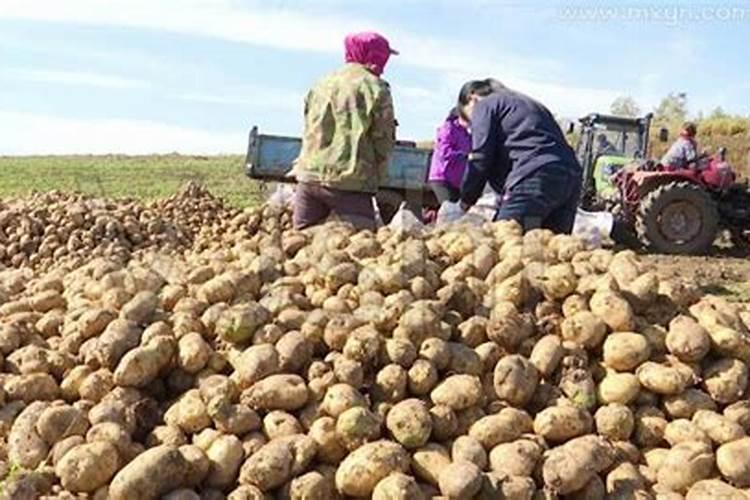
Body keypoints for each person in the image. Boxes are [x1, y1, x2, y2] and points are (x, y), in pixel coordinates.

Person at [291, 32, 397, 230]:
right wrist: (379, 176)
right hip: (349, 182)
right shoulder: (375, 87)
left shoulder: (322, 83)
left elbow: (308, 125)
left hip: (308, 178)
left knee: (299, 245)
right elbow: (383, 139)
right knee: (359, 246)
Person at [457, 79, 583, 233]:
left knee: (503, 241)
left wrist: (466, 199)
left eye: (468, 118)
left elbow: (481, 156)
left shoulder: (485, 105)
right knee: (548, 247)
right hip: (569, 179)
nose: (473, 124)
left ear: (472, 98)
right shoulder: (528, 103)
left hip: (535, 176)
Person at [427, 108, 471, 204]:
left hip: (456, 181)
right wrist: (465, 155)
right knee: (449, 211)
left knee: (457, 211)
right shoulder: (448, 128)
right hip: (442, 178)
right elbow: (444, 153)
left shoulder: (466, 134)